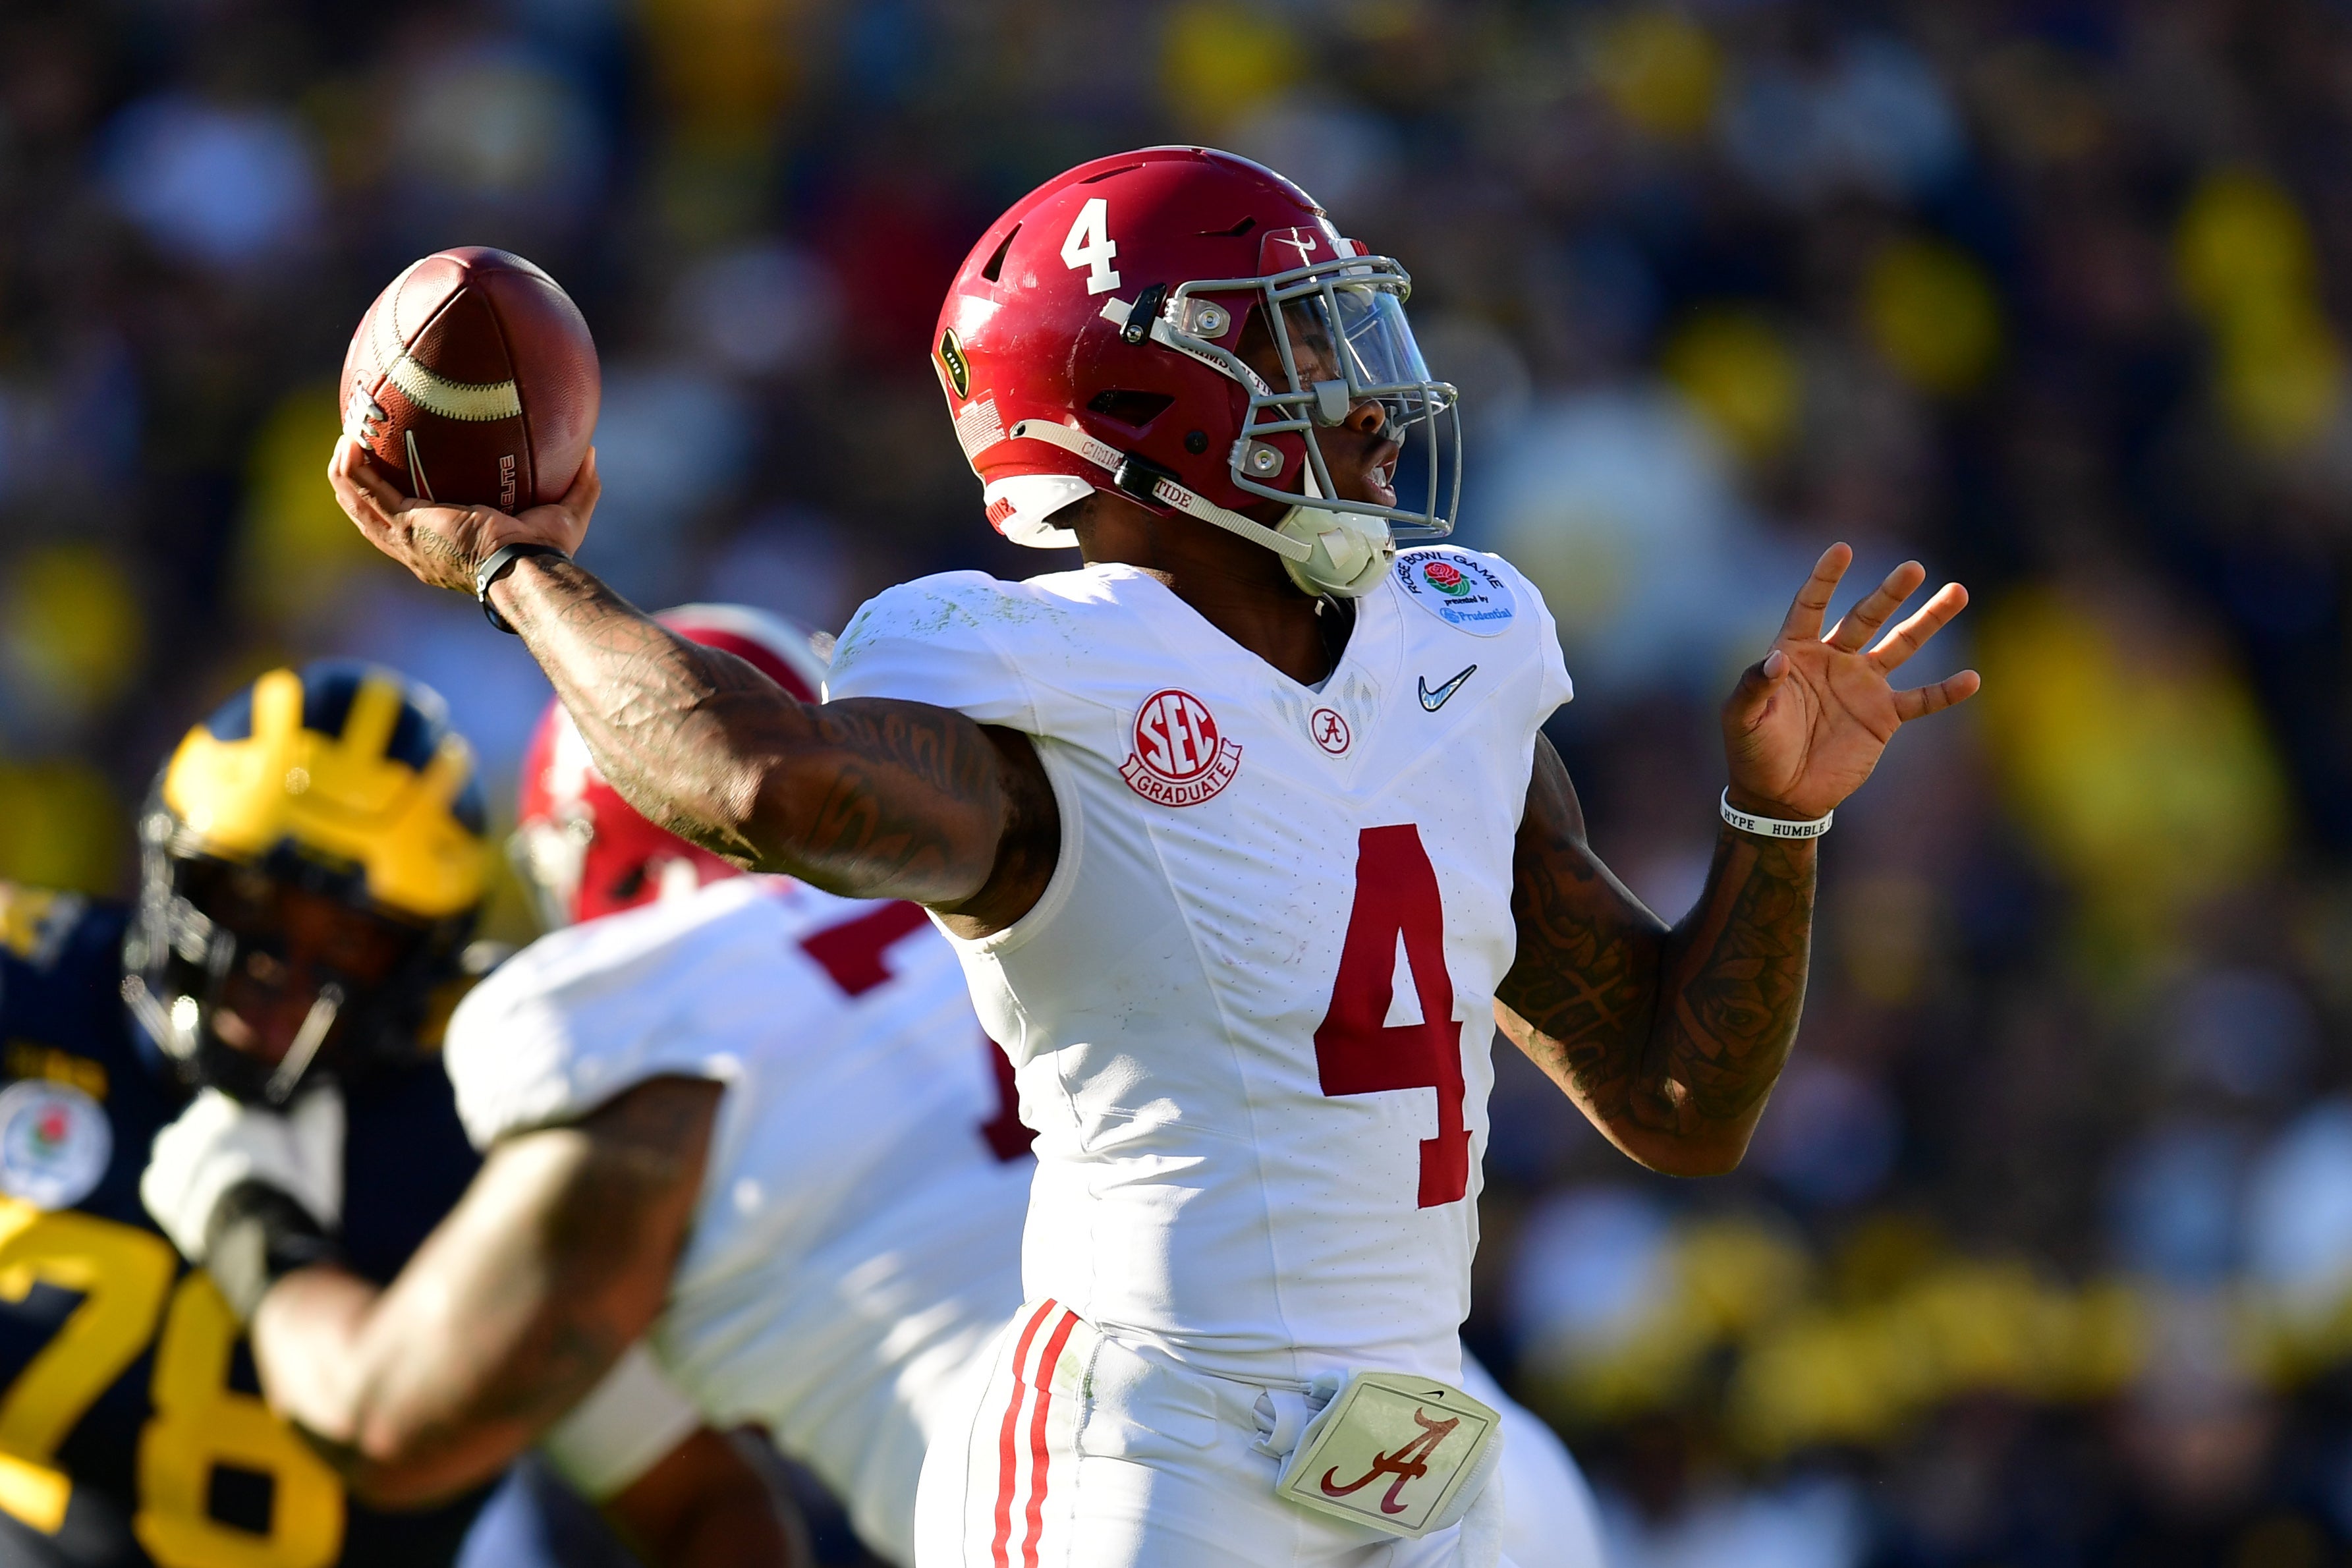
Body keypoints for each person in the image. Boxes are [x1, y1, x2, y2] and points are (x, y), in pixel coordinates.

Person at [327, 146, 1976, 1567]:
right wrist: (513, 564)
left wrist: (1776, 825)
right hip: (1148, 1458)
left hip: (1417, 1453)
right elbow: (758, 782)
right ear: (1135, 400)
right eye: (1298, 340)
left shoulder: (1453, 654)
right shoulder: (1046, 677)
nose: (1367, 386)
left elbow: (1678, 1101)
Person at [145, 604, 1606, 1568]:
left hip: (1134, 1503)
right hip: (1472, 1471)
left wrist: (240, 1203)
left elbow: (391, 1417)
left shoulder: (641, 1006)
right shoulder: (1044, 882)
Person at [0, 659, 778, 1568]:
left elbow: (697, 1499)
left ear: (428, 965)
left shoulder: (478, 1138)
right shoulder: (30, 989)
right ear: (173, 867)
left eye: (352, 939)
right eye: (250, 899)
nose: (279, 979)